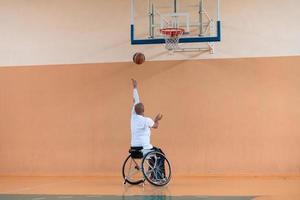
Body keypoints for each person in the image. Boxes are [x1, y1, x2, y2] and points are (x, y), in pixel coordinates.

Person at [130, 79, 165, 179]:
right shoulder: (147, 120)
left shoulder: (133, 117)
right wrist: (157, 119)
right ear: (144, 110)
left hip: (134, 149)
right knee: (159, 153)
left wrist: (135, 88)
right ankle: (156, 177)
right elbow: (155, 126)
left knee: (153, 151)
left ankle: (152, 174)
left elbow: (136, 100)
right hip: (145, 150)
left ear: (135, 110)